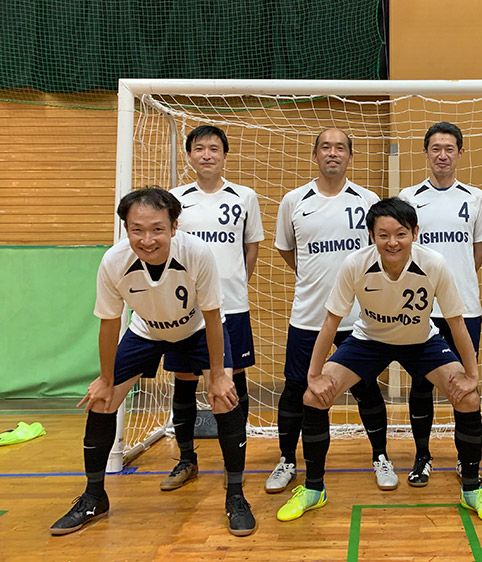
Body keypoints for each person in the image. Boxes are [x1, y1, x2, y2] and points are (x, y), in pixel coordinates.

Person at [276, 197, 482, 525]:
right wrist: (314, 375)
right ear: (371, 236)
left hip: (421, 342)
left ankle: (471, 489)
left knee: (468, 398)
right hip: (369, 341)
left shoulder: (434, 263)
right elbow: (330, 323)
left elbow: (456, 322)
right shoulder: (354, 264)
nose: (392, 242)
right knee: (313, 397)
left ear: (415, 233)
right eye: (383, 235)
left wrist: (472, 375)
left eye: (401, 234)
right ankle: (313, 489)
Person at [49, 188, 255, 537]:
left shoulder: (197, 253)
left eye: (157, 229)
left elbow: (213, 315)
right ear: (126, 229)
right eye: (137, 230)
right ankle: (94, 497)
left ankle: (235, 495)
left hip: (197, 330)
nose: (147, 240)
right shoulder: (114, 261)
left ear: (174, 227)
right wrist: (105, 378)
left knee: (224, 397)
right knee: (102, 401)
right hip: (146, 332)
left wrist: (220, 375)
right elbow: (109, 323)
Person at [268, 128, 397, 494]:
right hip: (309, 316)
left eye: (340, 147)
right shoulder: (294, 201)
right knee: (296, 388)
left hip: (359, 318)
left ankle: (381, 457)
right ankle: (287, 460)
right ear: (315, 155)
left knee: (366, 388)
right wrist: (314, 278)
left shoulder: (368, 200)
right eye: (325, 147)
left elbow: (380, 250)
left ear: (350, 158)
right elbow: (287, 249)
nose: (332, 153)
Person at [160, 125, 264, 491]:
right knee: (185, 379)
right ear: (189, 155)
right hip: (186, 309)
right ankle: (186, 459)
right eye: (200, 148)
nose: (207, 155)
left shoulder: (245, 196)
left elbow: (251, 246)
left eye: (214, 148)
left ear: (225, 155)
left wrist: (236, 282)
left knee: (233, 380)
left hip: (231, 305)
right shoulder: (174, 199)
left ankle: (235, 461)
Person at [399, 122, 482, 486]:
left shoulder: (476, 198)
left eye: (449, 148)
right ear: (425, 153)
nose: (442, 155)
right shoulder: (408, 197)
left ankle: (466, 460)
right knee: (422, 384)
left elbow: (477, 252)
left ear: (460, 153)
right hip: (421, 310)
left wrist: (455, 284)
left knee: (464, 384)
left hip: (464, 309)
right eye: (435, 148)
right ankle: (422, 456)